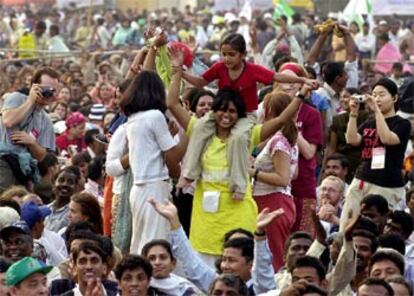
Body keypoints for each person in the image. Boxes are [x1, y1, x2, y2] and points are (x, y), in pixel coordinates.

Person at [166, 56, 312, 265]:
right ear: (214, 111)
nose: (226, 115)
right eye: (222, 110)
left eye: (232, 111)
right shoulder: (199, 131)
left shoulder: (247, 135)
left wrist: (301, 94)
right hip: (206, 223)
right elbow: (171, 103)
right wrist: (176, 72)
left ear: (240, 115)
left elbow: (280, 120)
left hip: (239, 217)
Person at [172, 33, 317, 197]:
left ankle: (239, 185)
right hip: (222, 111)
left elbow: (276, 76)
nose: (227, 59)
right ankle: (189, 175)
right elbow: (199, 82)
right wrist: (180, 72)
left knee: (238, 138)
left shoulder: (252, 70)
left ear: (242, 55)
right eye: (224, 54)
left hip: (245, 115)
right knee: (199, 130)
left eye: (231, 55)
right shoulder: (220, 68)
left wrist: (302, 81)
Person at [150, 198, 284, 294]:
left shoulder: (261, 289)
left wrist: (260, 235)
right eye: (224, 259)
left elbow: (262, 269)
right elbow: (192, 263)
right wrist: (174, 221)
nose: (224, 265)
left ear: (250, 264)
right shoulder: (218, 283)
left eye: (231, 260)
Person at [119, 70, 185, 254]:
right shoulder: (154, 116)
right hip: (154, 186)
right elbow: (172, 156)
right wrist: (190, 132)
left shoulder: (133, 119)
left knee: (141, 244)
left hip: (139, 189)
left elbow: (153, 149)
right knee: (156, 246)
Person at [341, 78, 411, 230]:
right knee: (347, 226)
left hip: (386, 184)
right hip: (361, 179)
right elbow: (352, 139)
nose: (377, 99)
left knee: (377, 229)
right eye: (374, 95)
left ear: (394, 98)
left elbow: (387, 138)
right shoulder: (370, 122)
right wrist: (353, 114)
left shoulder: (402, 123)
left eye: (381, 95)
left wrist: (377, 111)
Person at [250, 91, 299, 271]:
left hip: (272, 202)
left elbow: (283, 178)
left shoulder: (280, 141)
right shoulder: (288, 138)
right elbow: (293, 173)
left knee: (273, 259)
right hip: (276, 201)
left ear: (271, 112)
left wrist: (254, 172)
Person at [0, 67, 59, 192]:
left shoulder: (46, 121)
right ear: (34, 86)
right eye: (45, 89)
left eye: (53, 90)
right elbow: (8, 121)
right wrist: (31, 100)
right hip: (3, 160)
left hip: (25, 169)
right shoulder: (16, 98)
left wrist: (32, 143)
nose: (49, 94)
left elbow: (45, 157)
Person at [44, 167, 79, 233]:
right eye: (61, 180)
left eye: (70, 182)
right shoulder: (46, 209)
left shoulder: (73, 213)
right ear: (54, 184)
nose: (65, 184)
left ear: (76, 188)